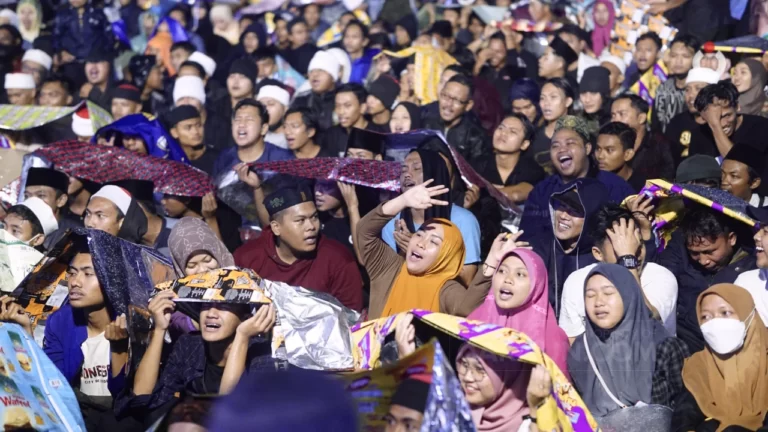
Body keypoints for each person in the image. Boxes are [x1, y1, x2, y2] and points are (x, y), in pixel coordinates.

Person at [0, 239, 129, 429]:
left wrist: (119, 348)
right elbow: (52, 384)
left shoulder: (131, 323)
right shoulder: (61, 322)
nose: (75, 282)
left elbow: (125, 395)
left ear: (112, 279)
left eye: (88, 274)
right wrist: (25, 332)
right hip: (78, 415)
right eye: (72, 273)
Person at [116, 293, 276, 422]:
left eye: (223, 306)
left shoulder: (261, 352)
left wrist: (242, 336)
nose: (211, 314)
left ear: (246, 318)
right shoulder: (189, 344)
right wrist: (160, 329)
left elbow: (230, 413)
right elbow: (142, 398)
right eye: (206, 305)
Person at [568, 264, 688, 425]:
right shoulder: (581, 350)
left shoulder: (664, 347)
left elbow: (685, 409)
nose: (598, 302)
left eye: (608, 293)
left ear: (629, 295)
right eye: (590, 295)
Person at [358, 179, 491, 319]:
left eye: (433, 242)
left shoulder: (445, 288)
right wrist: (402, 201)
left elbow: (467, 308)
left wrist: (491, 264)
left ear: (446, 255)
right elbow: (364, 232)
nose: (421, 243)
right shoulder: (388, 268)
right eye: (420, 234)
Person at [232, 185, 363, 311]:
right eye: (300, 220)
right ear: (276, 227)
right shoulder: (246, 258)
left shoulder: (338, 259)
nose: (311, 226)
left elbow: (351, 315)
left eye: (314, 217)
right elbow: (235, 308)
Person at [559, 203, 679, 340]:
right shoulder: (577, 282)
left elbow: (645, 321)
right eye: (621, 248)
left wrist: (627, 260)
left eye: (637, 245)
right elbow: (572, 342)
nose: (635, 255)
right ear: (598, 254)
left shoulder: (660, 276)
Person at [655, 206, 756, 353]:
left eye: (710, 252)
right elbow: (660, 274)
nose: (703, 261)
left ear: (731, 239)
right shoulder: (680, 249)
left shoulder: (752, 266)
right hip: (684, 342)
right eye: (695, 253)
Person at [520, 115, 635, 241]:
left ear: (587, 148)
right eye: (555, 146)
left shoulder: (615, 187)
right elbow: (528, 239)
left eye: (570, 143)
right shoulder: (541, 192)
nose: (562, 149)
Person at [671, 284, 768, 431]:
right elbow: (685, 415)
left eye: (725, 313)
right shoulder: (699, 365)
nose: (715, 322)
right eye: (705, 317)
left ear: (748, 314)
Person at [381, 149, 482, 286]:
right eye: (404, 170)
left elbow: (467, 279)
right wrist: (404, 254)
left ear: (434, 174)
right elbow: (386, 278)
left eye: (417, 168)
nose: (407, 175)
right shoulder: (392, 222)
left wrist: (421, 251)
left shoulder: (464, 221)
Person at [468, 248, 570, 374]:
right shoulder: (473, 321)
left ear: (536, 284)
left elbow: (561, 390)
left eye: (520, 274)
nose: (507, 279)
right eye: (502, 271)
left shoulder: (554, 340)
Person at [470, 113, 545, 204]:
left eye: (512, 131)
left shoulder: (532, 169)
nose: (503, 133)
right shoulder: (478, 164)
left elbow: (517, 194)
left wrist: (482, 193)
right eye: (501, 128)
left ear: (524, 144)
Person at [212, 99, 294, 179]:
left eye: (249, 119)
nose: (241, 124)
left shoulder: (283, 160)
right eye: (237, 119)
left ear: (263, 129)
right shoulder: (224, 158)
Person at [691, 81, 768, 161]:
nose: (722, 124)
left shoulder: (761, 127)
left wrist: (715, 126)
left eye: (727, 115)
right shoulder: (699, 135)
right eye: (714, 118)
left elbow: (739, 165)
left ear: (737, 107)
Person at [423, 74, 491, 163]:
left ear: (468, 105)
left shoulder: (476, 138)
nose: (448, 104)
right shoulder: (426, 123)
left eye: (456, 100)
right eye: (445, 96)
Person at [610, 94, 676, 181]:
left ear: (641, 118)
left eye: (622, 114)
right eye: (613, 115)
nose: (615, 120)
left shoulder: (660, 144)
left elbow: (669, 177)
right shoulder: (608, 144)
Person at [664, 67, 721, 161]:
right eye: (687, 90)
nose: (691, 95)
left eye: (698, 88)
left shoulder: (723, 122)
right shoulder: (677, 123)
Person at [650, 35, 698, 133]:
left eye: (685, 56)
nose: (678, 61)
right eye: (673, 55)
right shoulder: (662, 89)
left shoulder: (700, 90)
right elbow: (656, 125)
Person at [320, 83, 384, 156]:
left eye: (347, 105)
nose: (341, 112)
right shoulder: (331, 135)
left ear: (363, 107)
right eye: (337, 106)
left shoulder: (378, 135)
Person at [528, 78, 574, 172]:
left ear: (568, 101)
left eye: (553, 97)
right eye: (542, 98)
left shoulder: (580, 136)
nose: (546, 103)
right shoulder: (533, 137)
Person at [291, 50, 339, 132]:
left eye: (321, 70)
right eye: (311, 71)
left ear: (333, 77)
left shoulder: (343, 99)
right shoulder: (300, 101)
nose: (315, 75)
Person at [475, 32, 522, 113]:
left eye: (499, 52)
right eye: (490, 50)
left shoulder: (512, 70)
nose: (493, 55)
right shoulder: (484, 68)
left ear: (506, 51)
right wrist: (479, 63)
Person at [167, 105, 219, 176]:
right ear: (174, 132)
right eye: (188, 127)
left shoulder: (218, 159)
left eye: (198, 125)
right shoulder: (170, 162)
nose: (195, 132)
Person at [595, 122, 646, 191]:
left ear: (628, 154)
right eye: (598, 149)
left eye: (609, 150)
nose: (600, 156)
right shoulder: (590, 182)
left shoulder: (642, 189)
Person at [579, 66, 612, 136]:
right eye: (583, 93)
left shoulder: (615, 118)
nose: (587, 100)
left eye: (593, 93)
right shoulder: (576, 119)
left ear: (604, 95)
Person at [256, 84, 291, 149]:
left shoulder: (292, 138)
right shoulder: (254, 136)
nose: (265, 109)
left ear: (285, 109)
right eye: (261, 105)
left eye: (270, 104)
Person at [343, 20, 377, 84]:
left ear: (365, 41)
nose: (349, 41)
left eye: (354, 37)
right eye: (346, 36)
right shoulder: (339, 61)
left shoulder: (372, 63)